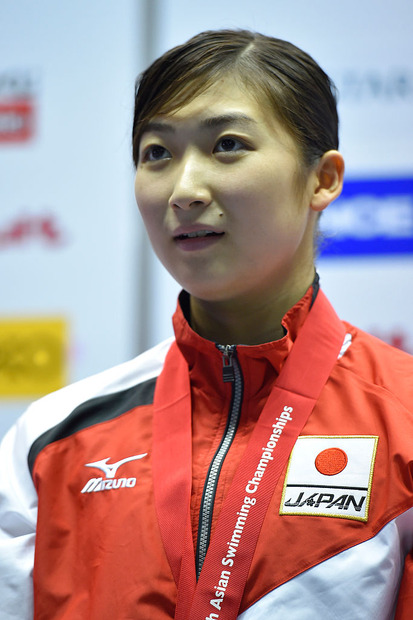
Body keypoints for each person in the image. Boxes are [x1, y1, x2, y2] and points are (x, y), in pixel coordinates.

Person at [1, 29, 413, 620]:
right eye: (157, 154)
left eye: (226, 145)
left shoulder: (403, 419)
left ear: (322, 179)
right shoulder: (54, 440)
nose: (184, 191)